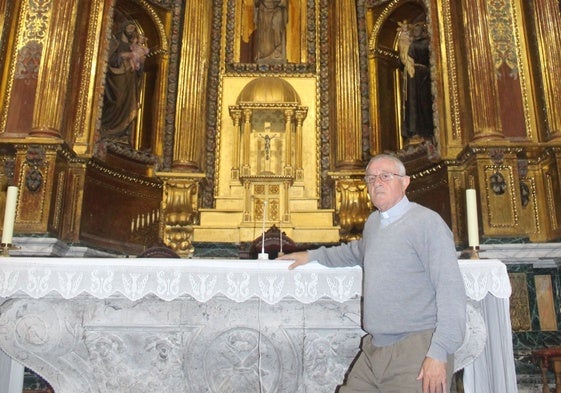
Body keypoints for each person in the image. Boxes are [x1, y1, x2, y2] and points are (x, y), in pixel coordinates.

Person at [278, 153, 466, 393]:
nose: (377, 182)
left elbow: (451, 290)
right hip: (374, 350)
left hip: (416, 349)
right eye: (371, 178)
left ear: (405, 182)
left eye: (386, 176)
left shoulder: (426, 223)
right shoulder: (374, 223)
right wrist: (311, 256)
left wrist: (439, 352)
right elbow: (356, 252)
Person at [101, 20, 148, 144]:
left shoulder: (134, 46)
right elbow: (108, 60)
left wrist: (140, 63)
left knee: (130, 105)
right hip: (116, 79)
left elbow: (139, 70)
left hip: (130, 80)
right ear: (123, 28)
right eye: (129, 28)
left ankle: (122, 131)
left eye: (133, 29)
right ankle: (109, 127)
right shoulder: (116, 42)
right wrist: (122, 56)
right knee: (117, 101)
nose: (131, 31)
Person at [398, 22, 434, 142]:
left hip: (419, 75)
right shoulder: (417, 44)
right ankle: (419, 130)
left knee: (421, 102)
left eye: (418, 30)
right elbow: (403, 60)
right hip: (417, 76)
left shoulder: (421, 44)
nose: (416, 32)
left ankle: (422, 130)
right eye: (415, 30)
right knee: (416, 102)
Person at [254, 0, 287, 64]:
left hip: (277, 9)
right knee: (265, 34)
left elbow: (284, 3)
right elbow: (256, 2)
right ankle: (264, 54)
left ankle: (277, 51)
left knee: (277, 29)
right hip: (263, 11)